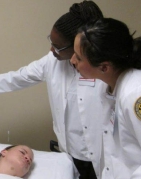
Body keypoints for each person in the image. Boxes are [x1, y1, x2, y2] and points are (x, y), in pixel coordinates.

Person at [0, 1, 110, 179]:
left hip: (98, 157)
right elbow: (16, 78)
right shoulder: (51, 62)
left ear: (78, 45)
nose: (51, 49)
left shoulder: (102, 70)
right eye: (51, 41)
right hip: (67, 153)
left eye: (58, 47)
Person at [70, 18, 141, 178]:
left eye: (78, 57)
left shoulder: (135, 94)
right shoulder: (107, 87)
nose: (72, 60)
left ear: (104, 67)